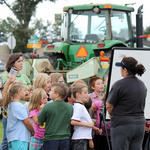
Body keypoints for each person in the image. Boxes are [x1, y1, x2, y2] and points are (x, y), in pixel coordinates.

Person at [106, 56, 147, 150]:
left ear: (125, 69)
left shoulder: (119, 84)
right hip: (139, 125)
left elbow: (109, 105)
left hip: (122, 125)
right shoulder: (142, 84)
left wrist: (113, 116)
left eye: (121, 68)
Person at [0, 53, 32, 150]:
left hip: (24, 110)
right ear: (12, 63)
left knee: (22, 136)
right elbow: (5, 96)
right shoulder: (5, 76)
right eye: (19, 61)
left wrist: (24, 95)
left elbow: (30, 93)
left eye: (22, 61)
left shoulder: (25, 77)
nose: (21, 63)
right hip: (11, 111)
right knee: (7, 138)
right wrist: (23, 95)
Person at [38, 83, 73, 150]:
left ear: (57, 94)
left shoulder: (48, 106)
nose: (49, 92)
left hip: (51, 139)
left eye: (51, 91)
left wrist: (40, 110)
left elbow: (39, 121)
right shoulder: (70, 107)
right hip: (65, 138)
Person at [71, 83, 102, 150]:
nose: (87, 95)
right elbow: (73, 122)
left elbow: (85, 122)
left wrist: (95, 128)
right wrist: (88, 124)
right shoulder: (78, 107)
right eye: (85, 93)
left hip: (83, 139)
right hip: (79, 139)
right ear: (77, 94)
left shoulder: (81, 106)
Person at [4, 82, 34, 150]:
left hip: (12, 138)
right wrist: (32, 131)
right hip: (20, 138)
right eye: (24, 90)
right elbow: (27, 122)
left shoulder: (10, 104)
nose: (25, 92)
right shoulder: (19, 106)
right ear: (18, 91)